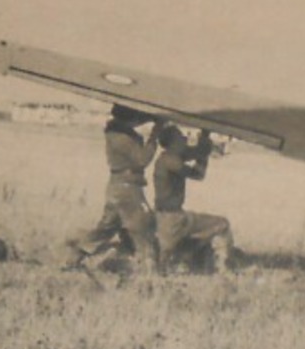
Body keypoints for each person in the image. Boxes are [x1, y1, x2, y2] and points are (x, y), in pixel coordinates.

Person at [64, 104, 160, 272]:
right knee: (143, 226)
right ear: (129, 117)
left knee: (105, 229)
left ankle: (74, 259)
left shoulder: (117, 131)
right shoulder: (122, 137)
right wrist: (155, 135)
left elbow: (134, 121)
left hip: (117, 186)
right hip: (128, 188)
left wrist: (153, 118)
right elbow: (142, 159)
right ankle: (149, 269)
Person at [152, 122, 234, 274]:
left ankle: (188, 259)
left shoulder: (166, 158)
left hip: (165, 218)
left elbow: (191, 153)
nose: (183, 139)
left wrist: (204, 140)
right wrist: (204, 152)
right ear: (173, 142)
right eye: (180, 137)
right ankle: (222, 267)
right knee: (222, 224)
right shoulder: (171, 161)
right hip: (174, 220)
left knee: (167, 257)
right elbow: (198, 174)